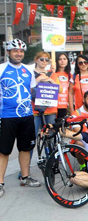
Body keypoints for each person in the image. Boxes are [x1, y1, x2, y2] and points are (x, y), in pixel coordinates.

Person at [0, 39, 40, 197]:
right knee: (4, 151)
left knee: (26, 148)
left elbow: (32, 91)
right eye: (15, 51)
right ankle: (0, 182)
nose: (19, 53)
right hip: (6, 116)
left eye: (21, 51)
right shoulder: (1, 68)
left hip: (26, 115)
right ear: (8, 52)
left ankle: (25, 177)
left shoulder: (28, 70)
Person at [51, 52, 71, 119]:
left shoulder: (69, 75)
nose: (62, 61)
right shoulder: (53, 73)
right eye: (60, 59)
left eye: (64, 59)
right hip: (54, 104)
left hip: (64, 105)